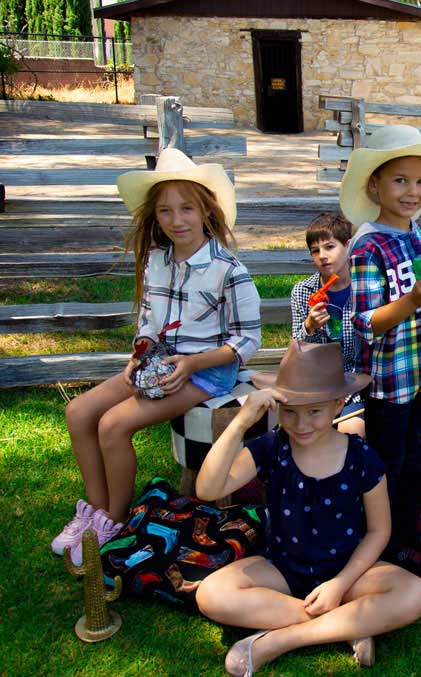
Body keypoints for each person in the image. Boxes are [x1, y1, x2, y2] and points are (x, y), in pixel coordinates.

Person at [51, 149, 261, 564]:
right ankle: (95, 512)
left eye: (186, 209)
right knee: (78, 412)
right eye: (165, 210)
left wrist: (193, 363)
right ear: (155, 215)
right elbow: (149, 321)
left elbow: (247, 341)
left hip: (207, 371)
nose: (176, 220)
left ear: (206, 211)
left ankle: (115, 520)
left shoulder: (228, 270)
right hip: (160, 363)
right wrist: (140, 353)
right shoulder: (157, 261)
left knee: (113, 425)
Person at [194, 341, 421, 676]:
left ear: (338, 405)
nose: (301, 424)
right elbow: (207, 489)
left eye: (314, 412)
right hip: (283, 568)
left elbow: (380, 531)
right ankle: (347, 625)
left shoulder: (361, 456)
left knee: (415, 593)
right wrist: (241, 423)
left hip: (350, 571)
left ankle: (277, 641)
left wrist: (339, 585)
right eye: (290, 411)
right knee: (212, 593)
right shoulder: (272, 447)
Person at [339, 124, 421, 553]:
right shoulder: (368, 247)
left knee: (415, 457)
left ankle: (409, 533)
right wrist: (410, 300)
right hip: (388, 382)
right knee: (387, 464)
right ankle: (383, 544)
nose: (413, 191)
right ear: (374, 185)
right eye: (400, 180)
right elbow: (366, 323)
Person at [290, 213, 364, 436]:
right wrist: (309, 326)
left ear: (348, 246)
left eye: (330, 247)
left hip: (359, 384)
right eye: (315, 251)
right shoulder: (303, 291)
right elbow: (296, 353)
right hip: (318, 385)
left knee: (351, 431)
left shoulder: (365, 287)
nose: (322, 256)